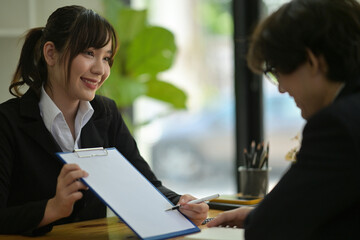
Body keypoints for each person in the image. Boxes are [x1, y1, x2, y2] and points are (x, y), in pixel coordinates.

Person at [0, 5, 208, 236]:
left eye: (106, 57)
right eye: (89, 53)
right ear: (51, 53)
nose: (100, 69)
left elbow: (145, 184)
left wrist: (181, 203)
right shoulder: (7, 122)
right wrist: (52, 208)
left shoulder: (105, 113)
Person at [208, 0, 360, 239]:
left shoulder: (338, 126)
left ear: (312, 60)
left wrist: (263, 217)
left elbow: (268, 230)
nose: (281, 89)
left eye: (277, 71)